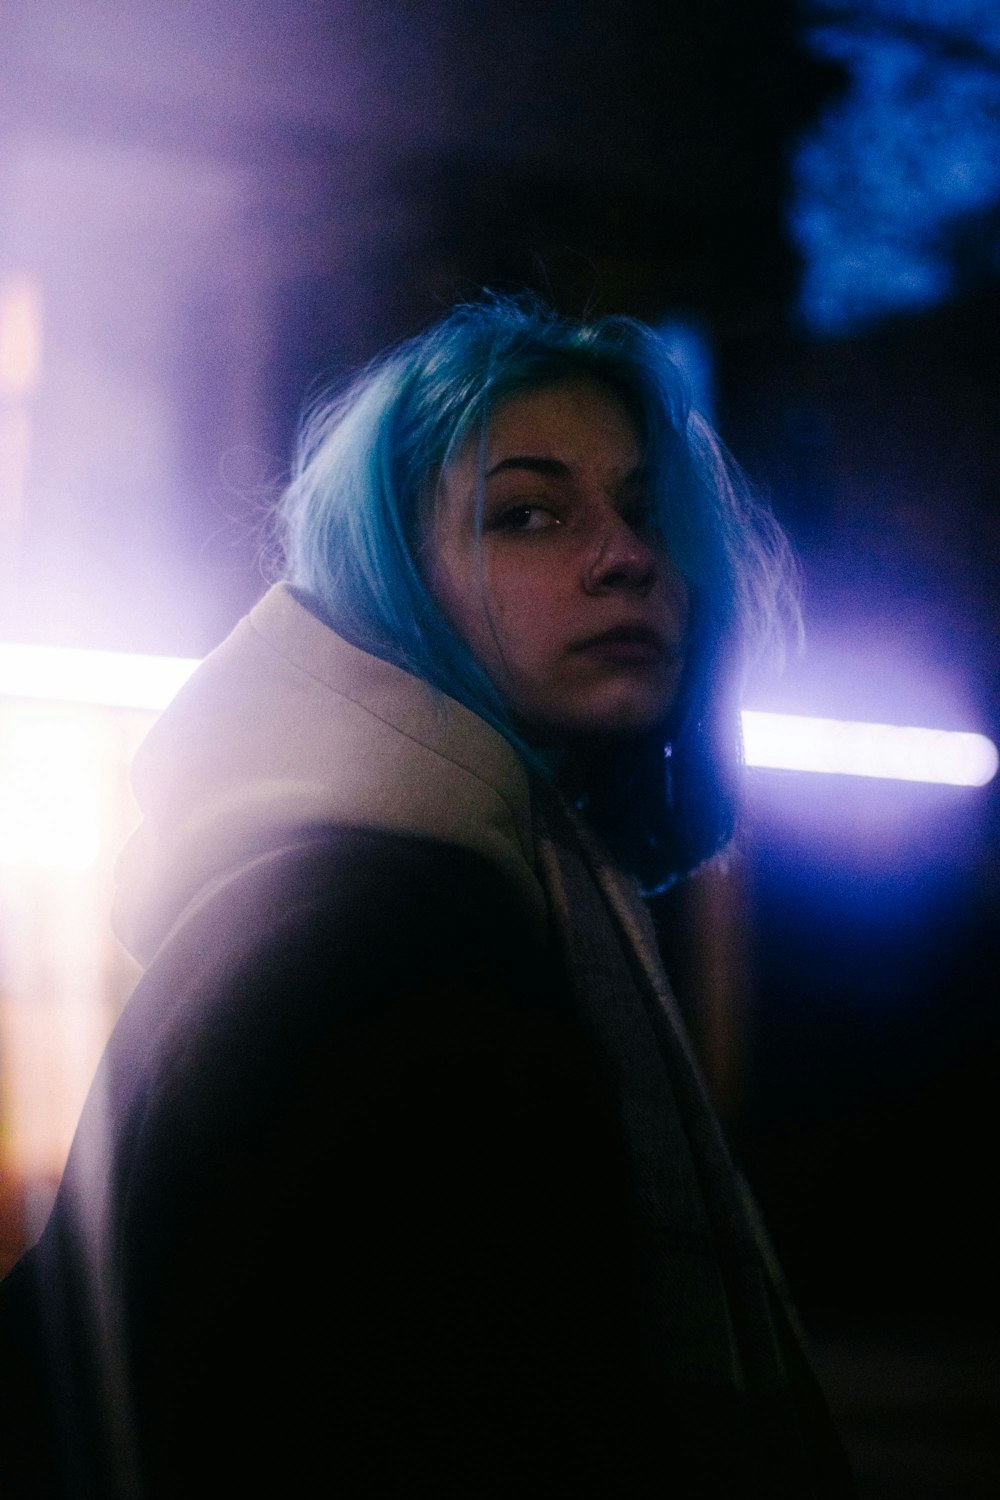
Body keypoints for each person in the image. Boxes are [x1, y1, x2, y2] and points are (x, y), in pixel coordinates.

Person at [0, 294, 854, 1497]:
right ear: (395, 583)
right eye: (527, 514)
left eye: (642, 509)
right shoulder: (387, 933)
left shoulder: (422, 895)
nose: (625, 555)